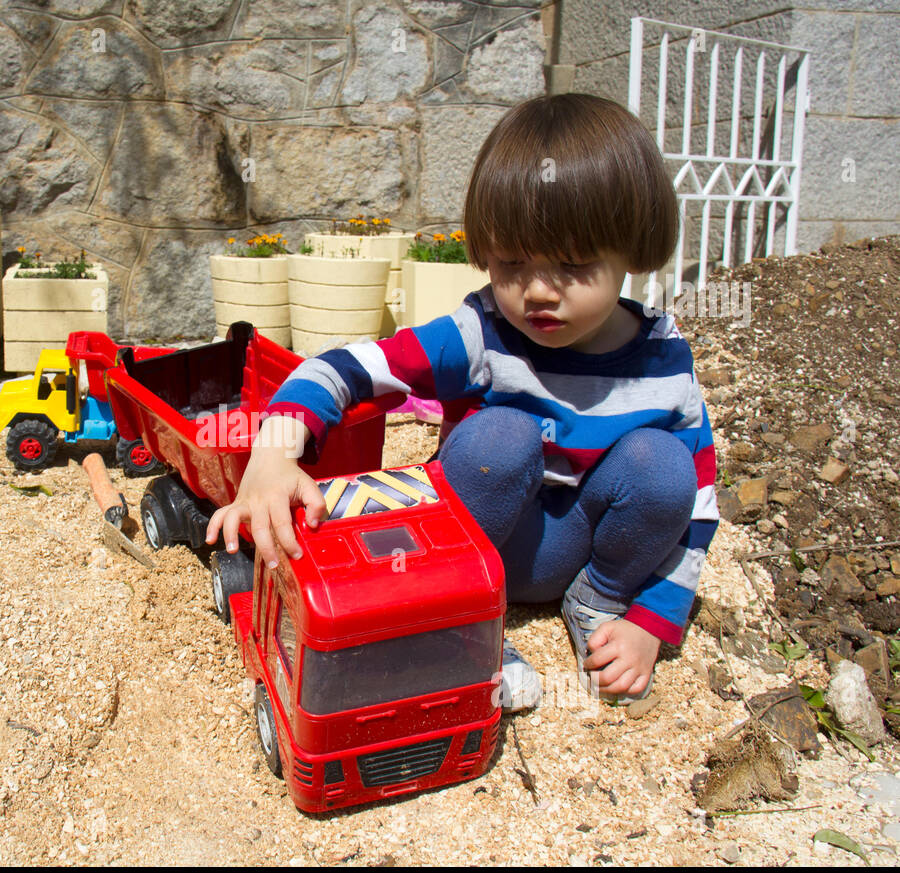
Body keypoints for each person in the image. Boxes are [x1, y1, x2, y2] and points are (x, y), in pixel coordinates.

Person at [204, 93, 718, 711]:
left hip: (593, 549)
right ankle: (470, 620)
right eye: (510, 262)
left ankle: (598, 603)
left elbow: (699, 505)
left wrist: (652, 622)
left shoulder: (663, 356)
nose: (536, 291)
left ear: (634, 249)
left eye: (574, 264)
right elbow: (342, 367)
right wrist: (273, 453)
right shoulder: (482, 335)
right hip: (485, 542)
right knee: (499, 439)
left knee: (664, 466)